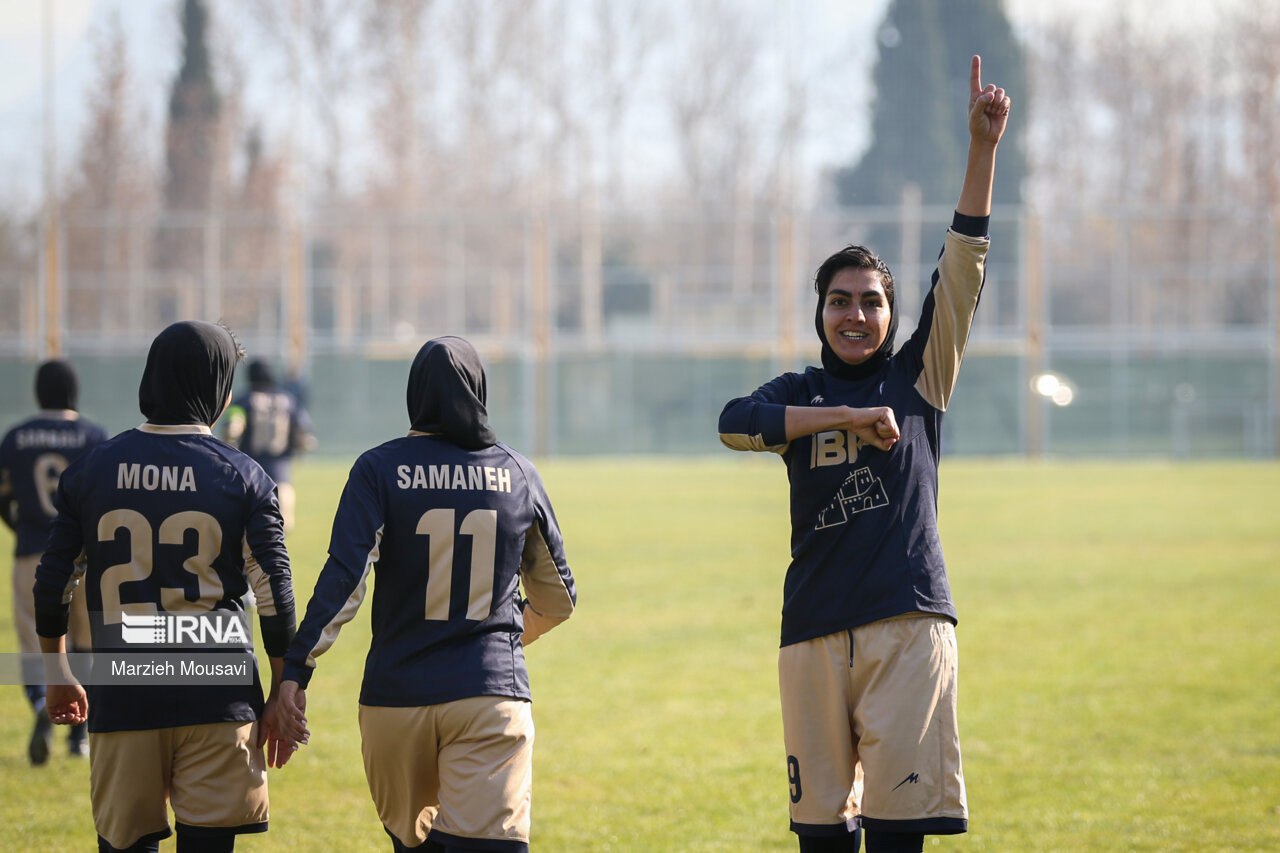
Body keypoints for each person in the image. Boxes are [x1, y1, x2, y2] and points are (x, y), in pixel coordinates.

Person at [717, 56, 1011, 853]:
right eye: (840, 300)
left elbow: (962, 268)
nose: (856, 314)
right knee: (820, 837)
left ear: (890, 312)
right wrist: (843, 413)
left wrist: (981, 150)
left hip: (906, 628)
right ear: (820, 312)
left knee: (895, 837)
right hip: (811, 632)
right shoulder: (800, 390)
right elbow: (733, 423)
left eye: (872, 301)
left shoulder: (921, 374)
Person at [274, 335, 577, 853]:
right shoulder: (516, 473)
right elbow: (558, 597)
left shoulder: (378, 468)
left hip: (395, 702)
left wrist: (296, 672)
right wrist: (499, 635)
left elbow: (344, 581)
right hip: (488, 693)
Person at [32, 321, 298, 853]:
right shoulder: (243, 476)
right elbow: (274, 594)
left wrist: (57, 672)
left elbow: (53, 582)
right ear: (218, 394)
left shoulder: (93, 471)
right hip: (217, 692)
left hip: (124, 689)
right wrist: (283, 688)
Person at [0, 359, 109, 764]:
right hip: (85, 555)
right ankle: (80, 734)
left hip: (32, 549)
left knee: (36, 642)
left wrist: (21, 528)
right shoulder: (93, 436)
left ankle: (40, 708)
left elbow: (3, 497)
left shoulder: (15, 437)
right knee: (86, 641)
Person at [222, 359, 316, 532]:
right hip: (280, 463)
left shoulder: (244, 400)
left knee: (247, 516)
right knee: (283, 506)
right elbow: (303, 431)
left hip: (248, 463)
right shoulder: (288, 399)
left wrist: (229, 442)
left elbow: (233, 427)